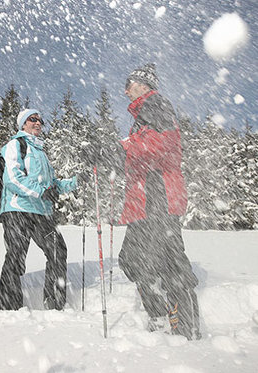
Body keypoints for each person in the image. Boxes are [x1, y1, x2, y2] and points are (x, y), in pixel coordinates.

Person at [118, 63, 201, 340]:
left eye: (128, 84)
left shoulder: (154, 104)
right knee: (134, 259)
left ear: (143, 85)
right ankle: (162, 314)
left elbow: (163, 145)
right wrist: (118, 154)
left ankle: (183, 324)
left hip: (158, 193)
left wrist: (123, 147)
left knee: (166, 258)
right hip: (147, 196)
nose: (125, 90)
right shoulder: (143, 113)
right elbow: (144, 151)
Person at [0, 109, 77, 311]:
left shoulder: (41, 153)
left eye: (40, 120)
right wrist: (41, 192)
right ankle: (8, 309)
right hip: (17, 209)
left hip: (40, 212)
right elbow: (12, 179)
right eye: (33, 119)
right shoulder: (16, 145)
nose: (38, 122)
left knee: (58, 250)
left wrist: (75, 182)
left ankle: (55, 304)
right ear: (22, 124)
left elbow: (52, 184)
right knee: (16, 255)